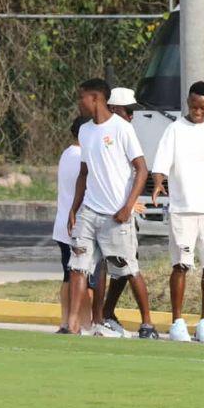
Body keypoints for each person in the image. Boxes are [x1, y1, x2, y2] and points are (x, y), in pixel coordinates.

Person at [66, 78, 158, 339]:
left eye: (81, 97)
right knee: (78, 266)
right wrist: (74, 208)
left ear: (95, 98)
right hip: (89, 213)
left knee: (127, 269)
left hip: (116, 215)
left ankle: (148, 323)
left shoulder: (121, 129)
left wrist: (128, 206)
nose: (78, 103)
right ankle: (71, 324)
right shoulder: (85, 131)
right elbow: (83, 173)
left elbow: (142, 169)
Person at [151, 81, 204, 344]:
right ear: (188, 102)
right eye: (195, 106)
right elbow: (161, 164)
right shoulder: (174, 130)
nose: (199, 111)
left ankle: (203, 322)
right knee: (181, 265)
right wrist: (157, 185)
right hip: (182, 209)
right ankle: (177, 322)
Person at [100, 86, 146, 335]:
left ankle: (106, 313)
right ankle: (143, 322)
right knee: (118, 266)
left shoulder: (125, 131)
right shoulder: (100, 132)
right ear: (113, 109)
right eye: (127, 111)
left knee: (123, 266)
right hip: (106, 211)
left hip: (124, 210)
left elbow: (137, 171)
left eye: (133, 111)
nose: (131, 116)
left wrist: (130, 203)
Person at [51, 116, 89, 334]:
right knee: (83, 277)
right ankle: (84, 323)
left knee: (68, 275)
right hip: (76, 225)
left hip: (63, 226)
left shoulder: (67, 153)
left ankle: (65, 322)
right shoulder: (80, 157)